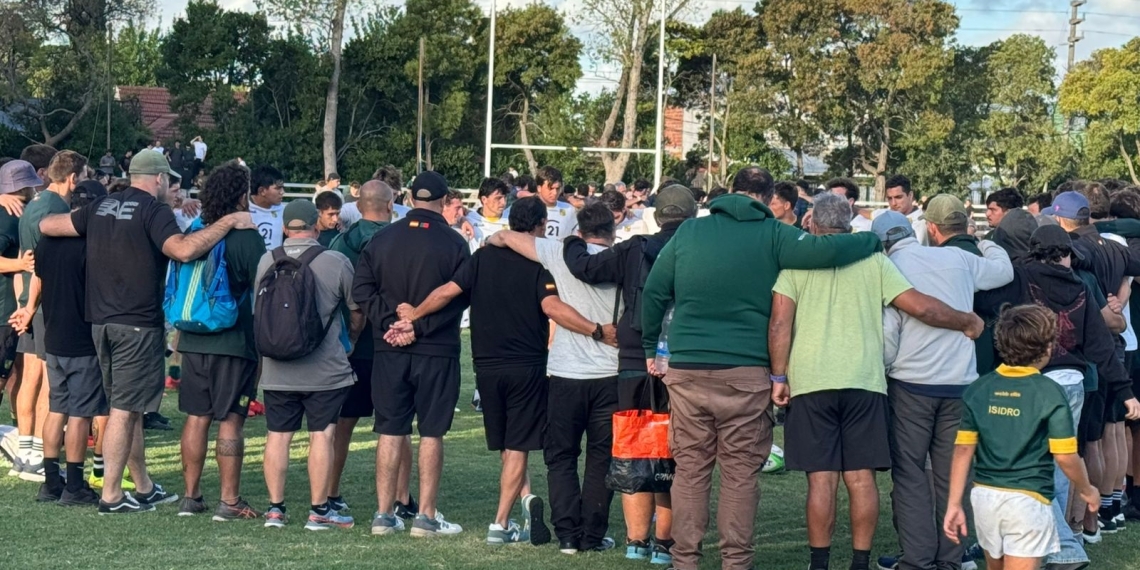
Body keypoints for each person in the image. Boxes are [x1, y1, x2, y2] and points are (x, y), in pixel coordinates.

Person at [640, 166, 884, 570]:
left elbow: (654, 292)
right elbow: (826, 251)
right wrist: (871, 238)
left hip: (689, 369)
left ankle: (684, 560)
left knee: (691, 472)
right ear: (770, 198)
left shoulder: (689, 232)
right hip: (746, 373)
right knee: (739, 475)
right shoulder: (775, 234)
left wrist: (652, 346)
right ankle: (736, 562)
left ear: (731, 190)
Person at [769, 194, 984, 570]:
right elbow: (922, 307)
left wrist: (779, 376)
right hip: (865, 381)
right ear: (850, 224)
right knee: (861, 477)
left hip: (811, 381)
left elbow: (779, 324)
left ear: (813, 224)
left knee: (821, 480)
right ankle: (860, 561)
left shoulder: (795, 266)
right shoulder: (874, 261)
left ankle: (819, 563)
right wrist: (966, 320)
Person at [38, 148, 253, 514]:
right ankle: (111, 496)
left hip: (100, 322)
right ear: (159, 178)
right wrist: (229, 221)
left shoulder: (100, 206)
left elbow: (48, 225)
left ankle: (143, 486)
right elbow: (182, 250)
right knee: (124, 410)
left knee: (129, 407)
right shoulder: (154, 210)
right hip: (136, 323)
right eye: (168, 180)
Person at [398, 197, 620, 547]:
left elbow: (447, 292)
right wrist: (596, 330)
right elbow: (551, 306)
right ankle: (501, 523)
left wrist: (415, 313)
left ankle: (527, 498)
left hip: (485, 365)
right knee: (519, 445)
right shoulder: (541, 263)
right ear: (541, 225)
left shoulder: (482, 257)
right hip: (527, 365)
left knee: (507, 443)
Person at [560, 184, 700, 564]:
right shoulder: (701, 250)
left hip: (635, 361)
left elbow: (586, 268)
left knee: (635, 447)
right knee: (676, 453)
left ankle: (637, 541)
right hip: (685, 361)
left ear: (657, 215)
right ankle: (665, 544)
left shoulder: (636, 248)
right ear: (691, 215)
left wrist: (572, 240)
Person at [873, 208, 1015, 570]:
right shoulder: (957, 258)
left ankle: (917, 559)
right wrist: (986, 241)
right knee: (954, 474)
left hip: (911, 384)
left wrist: (885, 369)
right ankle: (951, 558)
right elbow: (1003, 271)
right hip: (960, 383)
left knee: (910, 474)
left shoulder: (889, 267)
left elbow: (889, 334)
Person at [487, 202, 625, 555]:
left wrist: (491, 242)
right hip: (610, 371)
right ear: (613, 230)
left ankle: (567, 535)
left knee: (561, 457)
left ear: (579, 231)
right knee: (601, 457)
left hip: (566, 372)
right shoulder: (624, 259)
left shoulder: (559, 253)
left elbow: (507, 237)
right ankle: (592, 535)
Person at [352, 171, 470, 537]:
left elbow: (362, 289)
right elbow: (462, 296)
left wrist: (392, 323)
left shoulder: (382, 238)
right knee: (432, 432)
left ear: (408, 199)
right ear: (444, 200)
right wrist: (417, 326)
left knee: (390, 429)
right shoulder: (454, 243)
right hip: (436, 349)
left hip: (389, 348)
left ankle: (383, 514)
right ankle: (426, 516)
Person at [945, 304, 1101, 570]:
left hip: (985, 498)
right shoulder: (1050, 393)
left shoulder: (979, 389)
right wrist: (1087, 490)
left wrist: (953, 503)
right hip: (1028, 501)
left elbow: (962, 451)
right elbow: (1065, 456)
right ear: (1048, 347)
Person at [255, 199, 362, 531]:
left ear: (285, 228)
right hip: (325, 369)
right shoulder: (335, 261)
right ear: (316, 225)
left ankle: (275, 509)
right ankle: (319, 510)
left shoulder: (266, 261)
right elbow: (356, 310)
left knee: (277, 437)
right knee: (322, 436)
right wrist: (351, 341)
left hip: (276, 368)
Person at [175, 164, 266, 521]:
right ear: (242, 197)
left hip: (193, 336)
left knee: (196, 417)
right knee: (231, 418)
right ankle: (229, 501)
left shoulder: (196, 231)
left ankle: (191, 496)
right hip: (233, 341)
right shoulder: (245, 236)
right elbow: (262, 284)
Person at [327, 180, 416, 519]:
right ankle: (402, 497)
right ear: (391, 204)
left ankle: (331, 492)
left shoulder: (341, 240)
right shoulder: (401, 238)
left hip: (351, 347)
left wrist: (348, 336)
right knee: (397, 424)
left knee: (342, 424)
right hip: (393, 343)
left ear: (359, 205)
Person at [12, 150, 84, 491]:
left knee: (30, 377)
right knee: (47, 383)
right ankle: (40, 455)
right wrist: (31, 305)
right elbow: (44, 264)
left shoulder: (34, 204)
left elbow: (23, 258)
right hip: (44, 304)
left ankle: (24, 450)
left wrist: (21, 302)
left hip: (28, 298)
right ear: (73, 178)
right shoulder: (55, 209)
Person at [33, 179, 107, 506]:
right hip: (81, 339)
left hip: (53, 336)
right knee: (81, 413)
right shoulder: (92, 244)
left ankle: (51, 482)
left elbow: (39, 279)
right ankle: (75, 485)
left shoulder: (47, 240)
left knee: (57, 409)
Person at [0, 161, 39, 478]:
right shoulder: (9, 215)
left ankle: (19, 436)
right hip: (5, 312)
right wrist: (19, 264)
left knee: (16, 375)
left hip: (10, 309)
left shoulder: (16, 211)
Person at [530, 166, 576, 240]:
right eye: (550, 188)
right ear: (539, 188)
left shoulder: (569, 209)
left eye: (557, 188)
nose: (555, 193)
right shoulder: (528, 209)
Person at [879, 175, 928, 245]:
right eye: (889, 198)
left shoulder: (922, 222)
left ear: (910, 195)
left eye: (898, 197)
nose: (893, 203)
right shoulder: (885, 216)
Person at [249, 165, 286, 250]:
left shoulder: (284, 211)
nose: (282, 192)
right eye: (278, 188)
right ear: (262, 191)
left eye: (283, 188)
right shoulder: (243, 211)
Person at [467, 177, 510, 247]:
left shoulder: (512, 219)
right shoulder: (469, 219)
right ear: (484, 199)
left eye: (505, 197)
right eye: (498, 198)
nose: (503, 202)